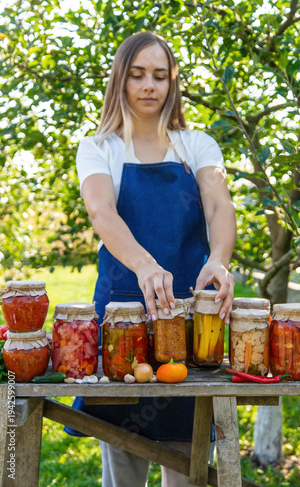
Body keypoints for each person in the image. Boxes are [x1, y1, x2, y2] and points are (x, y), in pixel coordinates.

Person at [65, 31, 236, 487]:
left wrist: (218, 258)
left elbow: (220, 204)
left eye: (160, 76)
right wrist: (144, 264)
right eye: (138, 75)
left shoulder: (197, 144)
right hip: (123, 320)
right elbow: (101, 211)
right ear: (120, 80)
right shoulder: (99, 147)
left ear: (172, 83)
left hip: (191, 321)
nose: (148, 86)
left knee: (188, 460)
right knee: (123, 456)